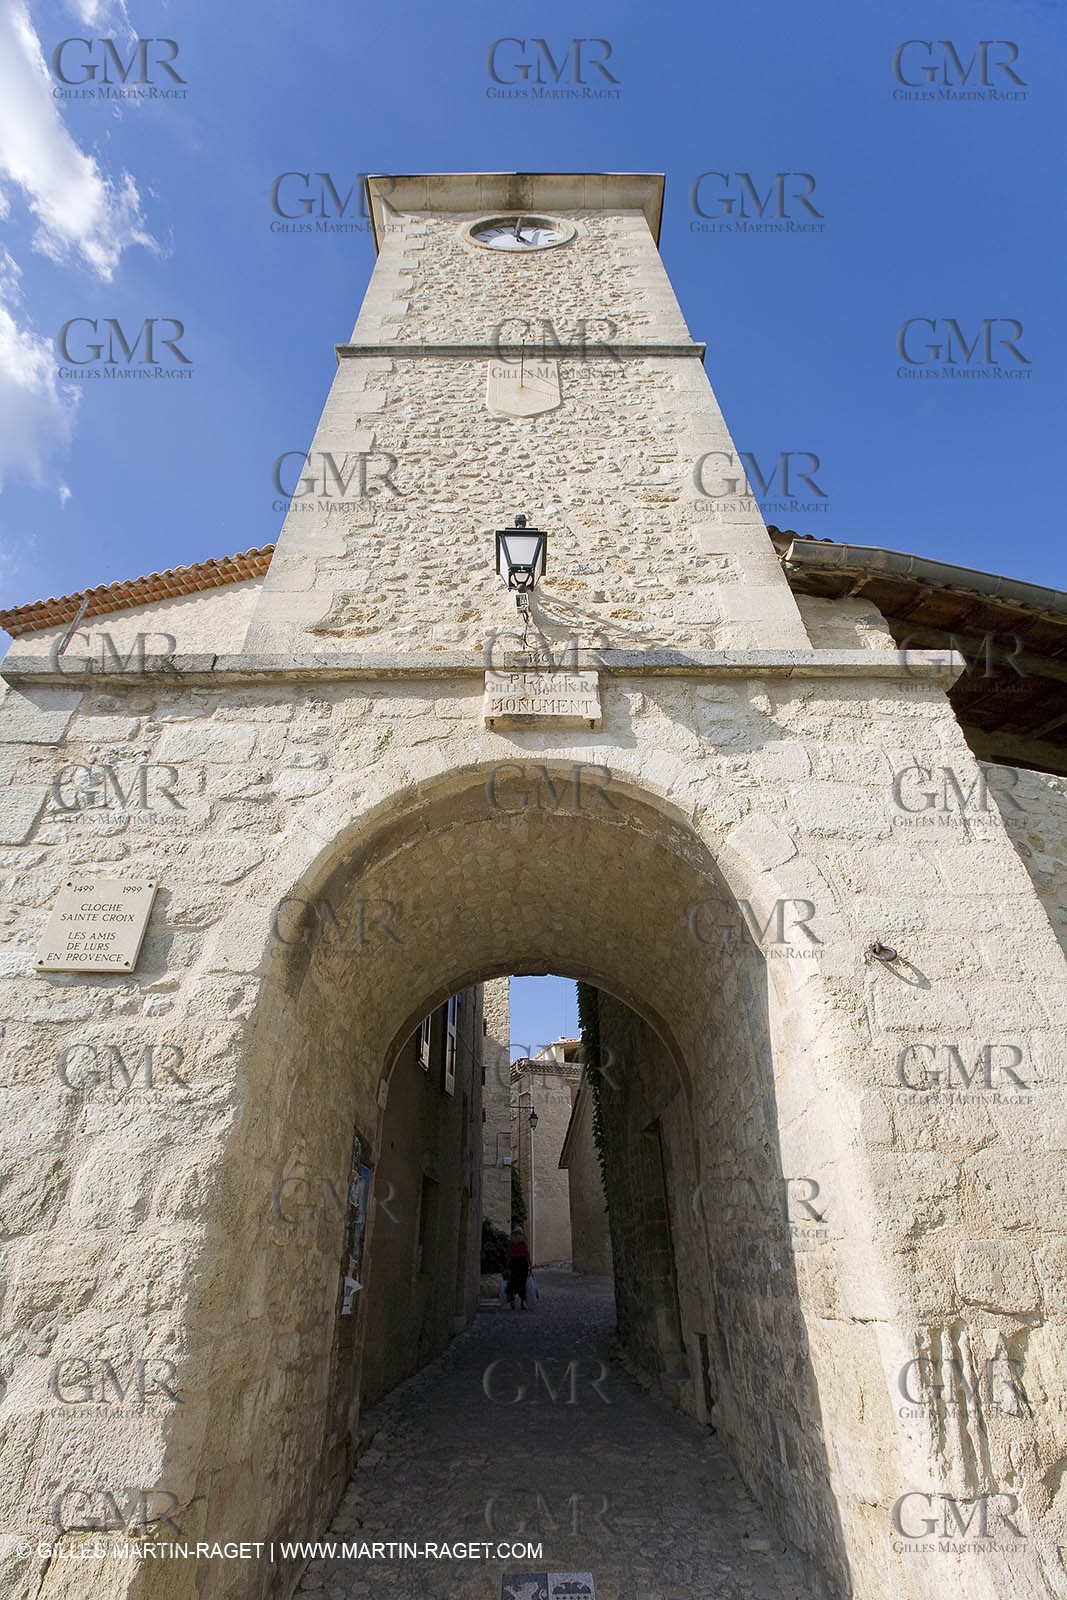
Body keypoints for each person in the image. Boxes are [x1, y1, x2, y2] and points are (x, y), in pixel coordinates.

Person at [506, 1226, 531, 1310]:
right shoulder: (523, 1241)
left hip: (513, 1263)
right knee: (522, 1283)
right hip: (522, 1263)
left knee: (513, 1282)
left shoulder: (511, 1241)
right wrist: (530, 1264)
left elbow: (509, 1254)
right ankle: (522, 1303)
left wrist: (507, 1265)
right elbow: (527, 1253)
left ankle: (512, 1302)